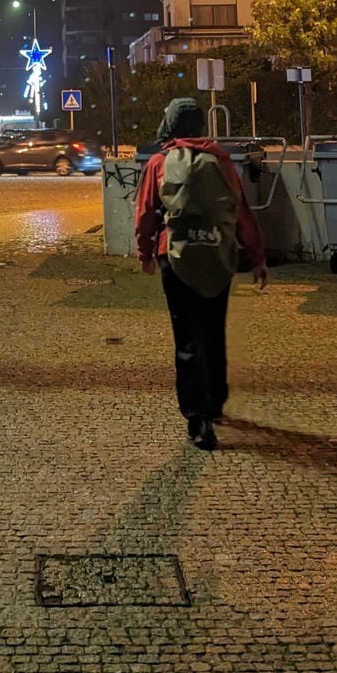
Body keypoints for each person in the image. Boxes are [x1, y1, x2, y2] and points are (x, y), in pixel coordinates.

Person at [135, 97, 268, 451]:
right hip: (217, 253)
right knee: (213, 328)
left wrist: (145, 252)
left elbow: (146, 213)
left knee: (187, 337)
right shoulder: (221, 160)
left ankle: (197, 420)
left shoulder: (159, 162)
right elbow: (240, 211)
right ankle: (217, 402)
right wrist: (256, 256)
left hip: (174, 256)